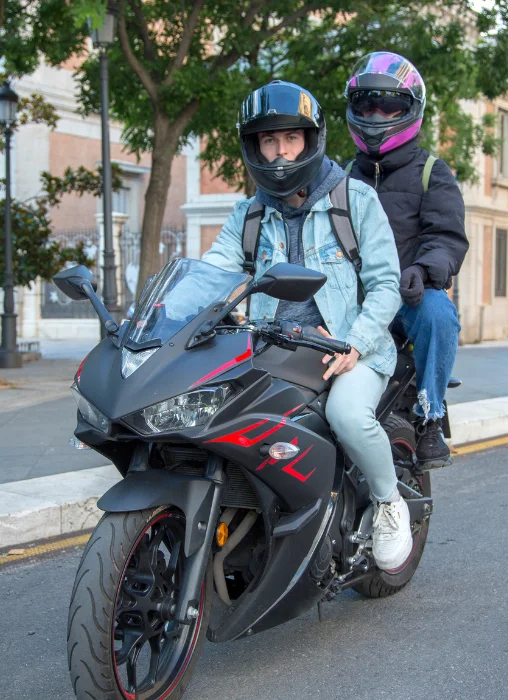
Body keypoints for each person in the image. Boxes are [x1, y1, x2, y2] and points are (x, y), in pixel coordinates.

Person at [202, 80, 412, 571]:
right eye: (268, 141)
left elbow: (385, 286)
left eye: (290, 139)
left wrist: (355, 344)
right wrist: (199, 302)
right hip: (272, 349)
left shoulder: (354, 200)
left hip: (348, 347)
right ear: (253, 146)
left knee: (347, 415)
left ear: (310, 139)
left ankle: (388, 502)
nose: (279, 153)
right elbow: (215, 271)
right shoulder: (248, 213)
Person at [344, 51, 467, 469]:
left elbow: (447, 238)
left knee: (439, 314)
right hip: (357, 301)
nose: (377, 114)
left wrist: (422, 270)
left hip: (408, 295)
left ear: (410, 108)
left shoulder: (434, 172)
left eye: (389, 105)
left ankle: (430, 417)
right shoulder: (341, 178)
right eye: (367, 105)